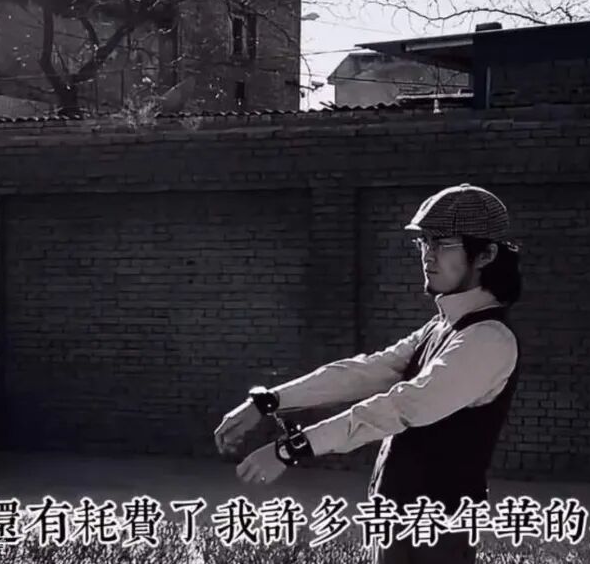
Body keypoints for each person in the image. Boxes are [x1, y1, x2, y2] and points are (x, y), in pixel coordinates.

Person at [213, 183, 523, 564]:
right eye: (424, 241)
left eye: (443, 244)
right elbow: (363, 372)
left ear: (486, 254)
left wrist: (291, 448)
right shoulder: (441, 327)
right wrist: (268, 401)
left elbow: (402, 407)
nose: (428, 255)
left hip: (438, 534)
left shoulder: (489, 340)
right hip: (398, 521)